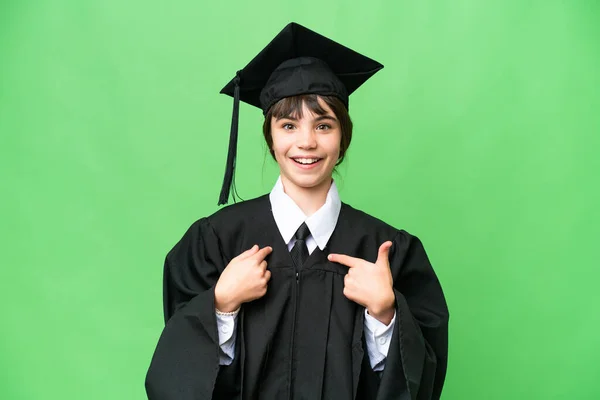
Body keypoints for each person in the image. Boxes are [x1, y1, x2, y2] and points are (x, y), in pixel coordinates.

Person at [145, 22, 449, 400]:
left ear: (343, 140)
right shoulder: (218, 242)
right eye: (289, 125)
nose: (306, 142)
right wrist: (220, 306)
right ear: (271, 138)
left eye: (324, 125)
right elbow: (176, 377)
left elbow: (421, 384)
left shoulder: (384, 250)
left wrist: (386, 315)